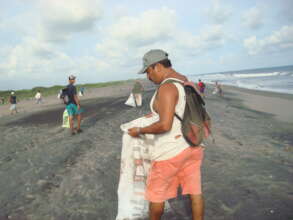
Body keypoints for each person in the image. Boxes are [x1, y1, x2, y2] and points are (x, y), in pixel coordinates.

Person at [128, 49, 204, 220]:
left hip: (171, 152)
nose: (148, 76)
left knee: (156, 195)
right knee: (195, 193)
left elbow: (165, 125)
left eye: (148, 71)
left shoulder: (167, 87)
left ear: (158, 66)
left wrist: (139, 130)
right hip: (193, 146)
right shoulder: (186, 82)